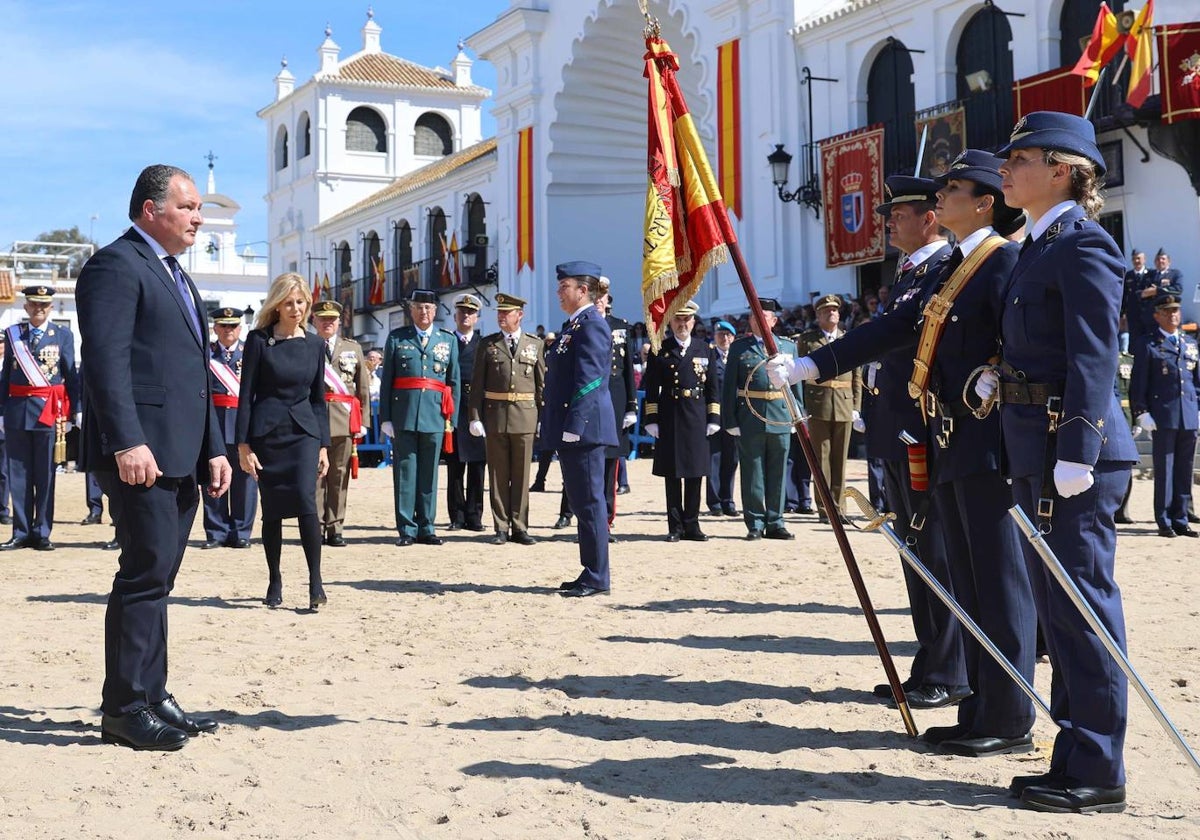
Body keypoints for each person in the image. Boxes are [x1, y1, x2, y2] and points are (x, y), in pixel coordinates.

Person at [986, 112, 1138, 813]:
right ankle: (1073, 751)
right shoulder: (1038, 245)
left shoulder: (1083, 246)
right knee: (1059, 610)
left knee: (1083, 611)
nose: (1006, 170)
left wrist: (1077, 447)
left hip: (1069, 454)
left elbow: (1092, 356)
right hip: (1035, 448)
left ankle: (1100, 768)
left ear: (1063, 170)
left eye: (1020, 158)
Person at [77, 163, 232, 751]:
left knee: (160, 575)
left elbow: (195, 374)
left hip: (182, 452)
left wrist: (213, 448)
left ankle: (152, 691)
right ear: (150, 210)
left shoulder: (175, 274)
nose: (199, 217)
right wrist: (125, 441)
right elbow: (107, 364)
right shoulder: (116, 266)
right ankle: (122, 706)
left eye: (199, 209)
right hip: (140, 453)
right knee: (143, 574)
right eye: (189, 207)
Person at [853, 173, 964, 709]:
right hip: (895, 432)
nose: (889, 222)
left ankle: (951, 669)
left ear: (931, 219)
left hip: (923, 433)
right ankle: (930, 663)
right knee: (915, 552)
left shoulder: (944, 271)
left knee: (935, 553)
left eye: (899, 215)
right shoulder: (908, 274)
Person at [236, 274, 330, 610]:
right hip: (267, 435)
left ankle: (315, 582)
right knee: (272, 511)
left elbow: (319, 399)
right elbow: (246, 395)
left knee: (307, 503)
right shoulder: (258, 340)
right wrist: (243, 445)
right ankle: (274, 579)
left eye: (300, 302)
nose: (295, 308)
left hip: (303, 434)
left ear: (307, 304)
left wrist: (323, 445)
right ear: (277, 304)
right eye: (288, 302)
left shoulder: (316, 345)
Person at [543, 261, 617, 597]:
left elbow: (590, 380)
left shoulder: (591, 325)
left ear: (582, 291)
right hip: (572, 428)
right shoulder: (573, 325)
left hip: (584, 430)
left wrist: (575, 423)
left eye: (565, 287)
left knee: (590, 504)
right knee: (582, 501)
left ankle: (597, 575)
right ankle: (590, 570)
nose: (559, 292)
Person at [0, 285, 80, 551]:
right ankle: (21, 531)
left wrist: (74, 410)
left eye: (43, 305)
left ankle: (42, 531)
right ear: (25, 307)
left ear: (50, 308)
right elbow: (5, 377)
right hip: (17, 412)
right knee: (19, 475)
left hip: (49, 412)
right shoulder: (14, 336)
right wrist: (1, 411)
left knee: (45, 475)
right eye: (33, 304)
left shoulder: (63, 335)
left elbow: (70, 374)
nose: (38, 309)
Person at [380, 289, 459, 547]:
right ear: (411, 311)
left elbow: (453, 382)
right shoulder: (397, 338)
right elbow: (387, 382)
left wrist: (452, 419)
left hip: (435, 415)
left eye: (428, 308)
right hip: (403, 415)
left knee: (429, 474)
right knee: (405, 472)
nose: (423, 312)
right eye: (418, 308)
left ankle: (427, 526)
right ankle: (407, 528)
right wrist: (386, 418)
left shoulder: (447, 340)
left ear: (435, 311)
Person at [720, 298, 804, 540]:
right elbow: (729, 388)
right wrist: (731, 420)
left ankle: (776, 521)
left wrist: (797, 416)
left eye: (764, 317)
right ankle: (755, 522)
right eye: (754, 317)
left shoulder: (787, 347)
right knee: (753, 471)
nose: (758, 321)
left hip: (780, 415)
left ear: (774, 320)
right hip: (750, 417)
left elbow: (795, 384)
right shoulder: (740, 348)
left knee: (779, 472)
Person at [468, 292, 545, 545]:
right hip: (496, 416)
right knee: (498, 474)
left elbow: (541, 385)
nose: (501, 317)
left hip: (525, 416)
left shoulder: (535, 344)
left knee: (522, 476)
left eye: (506, 313)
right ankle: (501, 526)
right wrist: (475, 416)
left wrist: (542, 418)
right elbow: (477, 385)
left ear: (519, 315)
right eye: (499, 313)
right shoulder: (488, 345)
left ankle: (520, 526)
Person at [641, 300, 718, 541]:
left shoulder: (705, 349)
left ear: (693, 322)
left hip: (696, 415)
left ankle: (692, 525)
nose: (682, 324)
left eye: (686, 319)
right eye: (677, 319)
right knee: (672, 474)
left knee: (696, 473)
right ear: (670, 322)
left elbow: (713, 388)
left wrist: (713, 416)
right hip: (670, 415)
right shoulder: (659, 350)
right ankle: (675, 526)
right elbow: (652, 388)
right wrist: (651, 419)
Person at [1129, 291, 1200, 538]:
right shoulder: (1149, 345)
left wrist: (1198, 408)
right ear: (1157, 316)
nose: (1173, 315)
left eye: (1176, 310)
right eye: (1168, 311)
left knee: (1185, 469)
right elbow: (1139, 383)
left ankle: (1181, 518)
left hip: (1188, 415)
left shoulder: (1190, 343)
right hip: (1163, 416)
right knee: (1165, 470)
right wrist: (1141, 412)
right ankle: (1165, 519)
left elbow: (1196, 381)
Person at [793, 294, 861, 522]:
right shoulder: (807, 340)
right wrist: (800, 406)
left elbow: (857, 375)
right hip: (817, 403)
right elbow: (799, 374)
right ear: (818, 315)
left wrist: (856, 406)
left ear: (839, 314)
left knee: (840, 460)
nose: (831, 313)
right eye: (826, 311)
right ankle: (825, 509)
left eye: (834, 310)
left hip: (844, 403)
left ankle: (840, 508)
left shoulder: (848, 338)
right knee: (821, 459)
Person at [312, 299, 371, 547]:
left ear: (339, 322)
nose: (328, 323)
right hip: (313, 420)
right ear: (314, 321)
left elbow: (363, 386)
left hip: (344, 419)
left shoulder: (353, 348)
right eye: (323, 319)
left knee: (338, 475)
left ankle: (335, 527)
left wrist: (364, 420)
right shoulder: (306, 345)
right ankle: (315, 526)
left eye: (332, 319)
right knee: (315, 476)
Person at [202, 306, 257, 550]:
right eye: (223, 326)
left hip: (243, 423)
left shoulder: (251, 352)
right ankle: (216, 532)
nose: (228, 330)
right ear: (215, 328)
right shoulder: (206, 353)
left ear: (240, 328)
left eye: (233, 325)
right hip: (213, 422)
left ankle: (242, 531)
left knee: (245, 479)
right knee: (213, 477)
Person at [445, 293, 487, 532]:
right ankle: (457, 516)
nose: (466, 316)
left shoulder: (483, 343)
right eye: (462, 312)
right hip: (453, 406)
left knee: (478, 466)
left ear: (477, 318)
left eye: (470, 313)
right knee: (455, 466)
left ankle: (475, 515)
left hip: (476, 408)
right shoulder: (448, 341)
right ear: (455, 316)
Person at [705, 320, 739, 516]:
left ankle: (729, 500)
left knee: (731, 460)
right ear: (715, 337)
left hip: (733, 418)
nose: (724, 338)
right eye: (720, 335)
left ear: (733, 338)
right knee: (714, 460)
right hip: (715, 417)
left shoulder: (737, 358)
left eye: (727, 335)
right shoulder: (710, 357)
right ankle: (715, 501)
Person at [1119, 250, 1150, 353]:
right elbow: (1124, 295)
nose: (1136, 261)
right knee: (1134, 339)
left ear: (1144, 260)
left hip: (1147, 312)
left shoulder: (1150, 274)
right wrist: (1122, 313)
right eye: (1134, 259)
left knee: (1148, 339)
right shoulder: (1128, 275)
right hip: (1132, 313)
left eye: (1139, 258)